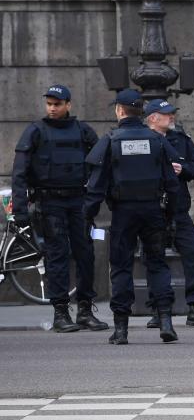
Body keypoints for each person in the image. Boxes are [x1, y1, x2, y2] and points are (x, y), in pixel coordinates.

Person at [83, 89, 181, 345]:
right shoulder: (156, 140)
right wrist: (170, 216)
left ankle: (121, 328)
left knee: (121, 267)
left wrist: (87, 216)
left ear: (119, 110)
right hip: (152, 211)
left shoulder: (111, 140)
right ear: (142, 112)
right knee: (157, 264)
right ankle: (166, 321)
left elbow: (96, 185)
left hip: (124, 212)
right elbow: (172, 183)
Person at [10, 85, 108, 332]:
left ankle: (85, 310)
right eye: (49, 104)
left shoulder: (83, 131)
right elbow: (19, 174)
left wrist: (94, 200)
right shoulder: (35, 132)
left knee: (85, 255)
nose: (52, 108)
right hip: (49, 202)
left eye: (57, 104)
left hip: (78, 202)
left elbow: (100, 167)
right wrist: (20, 212)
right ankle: (61, 313)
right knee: (57, 256)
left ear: (68, 105)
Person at [142, 99, 194, 328]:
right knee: (153, 259)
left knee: (193, 254)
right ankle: (159, 310)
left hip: (179, 211)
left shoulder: (181, 140)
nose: (171, 117)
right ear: (153, 117)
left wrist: (182, 170)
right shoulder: (140, 140)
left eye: (172, 113)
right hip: (152, 211)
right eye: (166, 114)